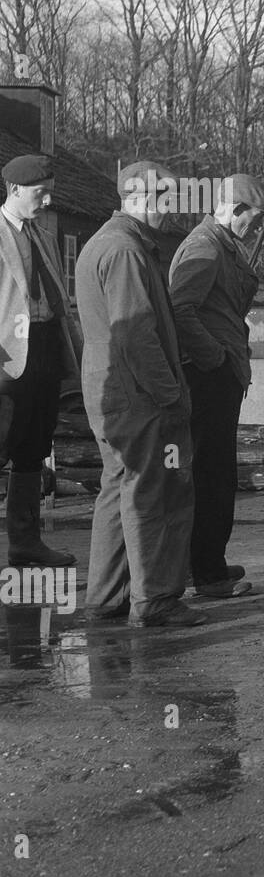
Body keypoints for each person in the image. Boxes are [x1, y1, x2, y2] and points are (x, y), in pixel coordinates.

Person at [77, 160, 203, 627]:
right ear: (141, 198)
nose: (171, 212)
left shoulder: (103, 244)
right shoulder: (127, 250)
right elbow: (137, 334)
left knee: (119, 487)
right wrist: (169, 393)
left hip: (110, 389)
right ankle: (155, 600)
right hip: (139, 393)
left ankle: (107, 597)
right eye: (166, 201)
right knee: (155, 491)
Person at [169, 174, 264, 597]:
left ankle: (207, 563)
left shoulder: (220, 244)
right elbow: (181, 307)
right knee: (211, 474)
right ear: (233, 211)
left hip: (219, 374)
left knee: (216, 471)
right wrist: (213, 357)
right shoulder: (206, 246)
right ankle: (206, 573)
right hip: (207, 376)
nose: (255, 231)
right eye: (252, 221)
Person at [0, 154, 81, 569]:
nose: (47, 201)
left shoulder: (45, 235)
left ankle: (25, 543)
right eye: (40, 192)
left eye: (49, 191)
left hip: (44, 350)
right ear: (14, 189)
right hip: (5, 362)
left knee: (33, 447)